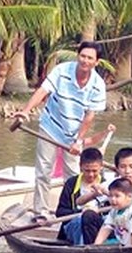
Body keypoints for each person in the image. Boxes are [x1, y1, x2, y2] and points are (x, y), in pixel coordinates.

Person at [13, 41, 107, 220]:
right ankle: (41, 211)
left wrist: (79, 141)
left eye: (90, 58)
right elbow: (42, 91)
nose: (85, 61)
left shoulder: (98, 85)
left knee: (73, 175)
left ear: (96, 62)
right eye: (83, 56)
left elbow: (89, 116)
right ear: (78, 56)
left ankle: (73, 211)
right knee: (43, 170)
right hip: (50, 126)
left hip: (73, 133)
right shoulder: (62, 71)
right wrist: (26, 111)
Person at [55, 148, 109, 245]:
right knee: (80, 221)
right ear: (80, 167)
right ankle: (83, 249)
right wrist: (80, 212)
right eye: (87, 170)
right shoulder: (71, 183)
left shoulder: (107, 185)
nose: (91, 175)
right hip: (74, 226)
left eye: (94, 171)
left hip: (97, 229)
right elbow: (60, 212)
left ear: (101, 167)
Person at [93, 178, 132, 247]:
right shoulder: (115, 210)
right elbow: (106, 227)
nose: (113, 199)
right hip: (124, 244)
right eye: (110, 196)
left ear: (129, 196)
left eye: (117, 196)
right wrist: (96, 245)